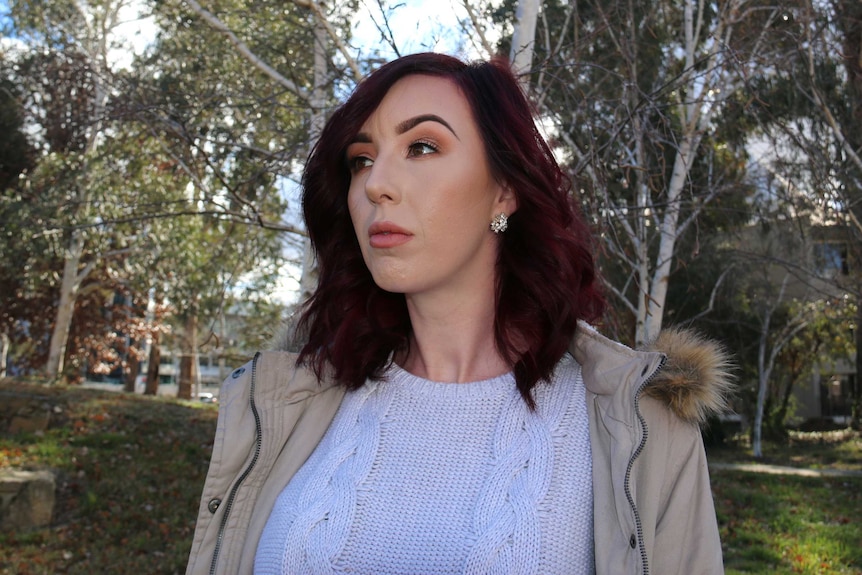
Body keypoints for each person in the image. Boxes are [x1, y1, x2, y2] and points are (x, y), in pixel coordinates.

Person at [186, 52, 733, 575]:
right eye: (361, 160)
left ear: (505, 190)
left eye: (422, 147)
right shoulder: (287, 402)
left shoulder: (640, 425)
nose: (376, 184)